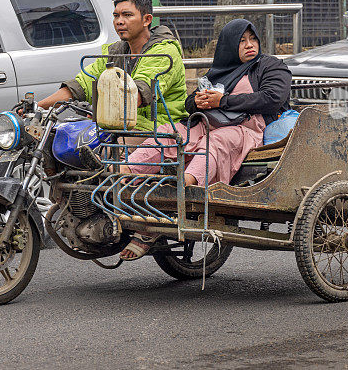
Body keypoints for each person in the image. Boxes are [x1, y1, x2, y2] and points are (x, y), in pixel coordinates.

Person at [118, 19, 292, 260]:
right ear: (229, 45)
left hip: (247, 129)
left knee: (216, 142)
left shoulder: (269, 66)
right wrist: (197, 102)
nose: (249, 45)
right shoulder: (220, 71)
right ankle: (122, 175)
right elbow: (190, 104)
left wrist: (224, 101)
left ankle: (181, 186)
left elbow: (273, 97)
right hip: (205, 123)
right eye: (241, 41)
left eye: (253, 39)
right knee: (171, 134)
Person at [37, 0, 187, 132]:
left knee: (103, 150)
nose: (119, 21)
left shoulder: (163, 52)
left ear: (146, 20)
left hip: (159, 128)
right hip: (120, 126)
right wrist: (37, 107)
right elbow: (83, 83)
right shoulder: (116, 52)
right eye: (116, 16)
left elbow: (139, 93)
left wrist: (101, 111)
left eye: (127, 15)